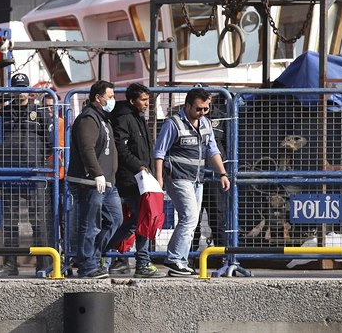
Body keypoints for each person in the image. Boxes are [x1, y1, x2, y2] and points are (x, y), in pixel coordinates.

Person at [153, 87, 230, 277]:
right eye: (198, 109)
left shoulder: (205, 124)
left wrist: (222, 173)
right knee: (189, 217)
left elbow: (213, 150)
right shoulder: (173, 124)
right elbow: (159, 152)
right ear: (187, 106)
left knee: (192, 220)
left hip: (197, 179)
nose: (202, 113)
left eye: (206, 109)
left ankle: (178, 259)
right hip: (178, 177)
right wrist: (160, 179)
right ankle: (175, 259)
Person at [0, 73, 54, 276]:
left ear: (29, 90)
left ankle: (43, 264)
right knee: (10, 221)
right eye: (17, 88)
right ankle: (11, 264)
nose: (21, 92)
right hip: (8, 173)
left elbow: (49, 144)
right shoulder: (4, 113)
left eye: (24, 88)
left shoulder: (39, 113)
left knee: (39, 220)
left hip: (34, 174)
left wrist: (38, 162)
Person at [104, 83, 165, 278]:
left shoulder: (137, 117)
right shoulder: (124, 118)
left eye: (148, 100)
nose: (147, 104)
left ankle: (139, 260)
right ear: (132, 100)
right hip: (130, 179)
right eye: (144, 100)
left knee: (140, 218)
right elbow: (121, 149)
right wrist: (138, 165)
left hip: (141, 177)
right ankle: (103, 249)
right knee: (140, 218)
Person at [66, 80, 122, 279]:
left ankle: (94, 257)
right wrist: (97, 173)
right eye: (110, 97)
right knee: (90, 224)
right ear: (98, 98)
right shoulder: (88, 118)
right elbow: (87, 149)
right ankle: (87, 265)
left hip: (107, 183)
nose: (112, 101)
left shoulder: (103, 118)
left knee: (115, 219)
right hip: (91, 182)